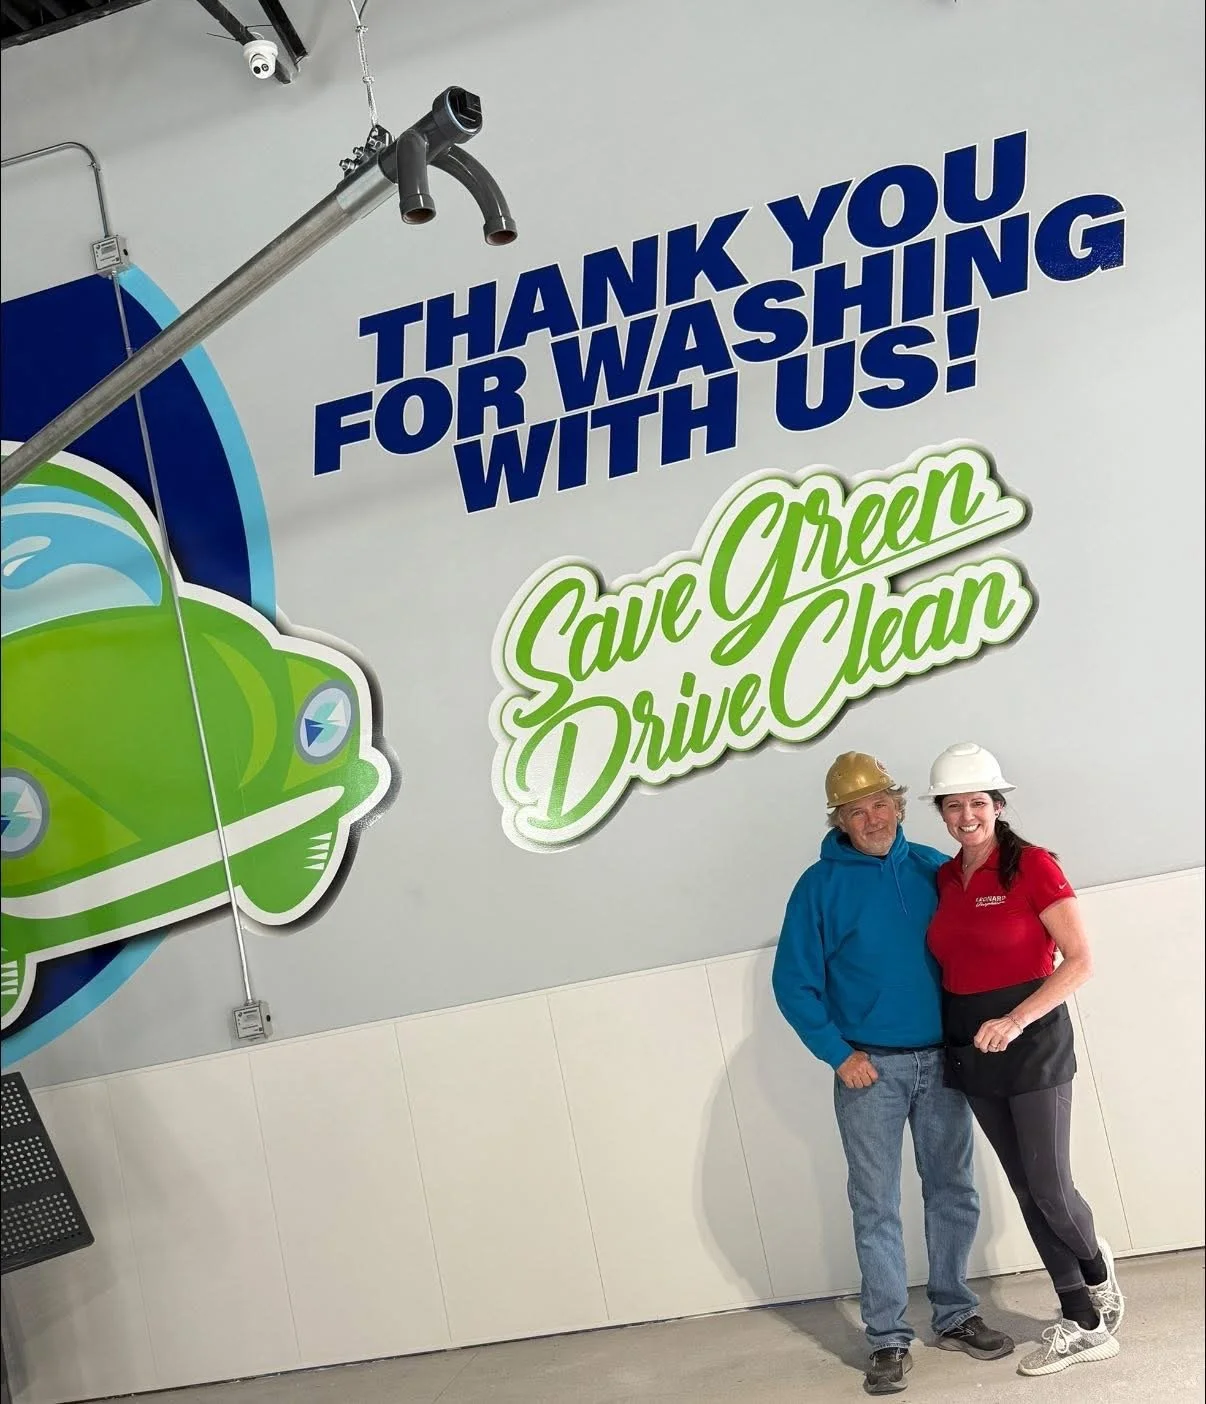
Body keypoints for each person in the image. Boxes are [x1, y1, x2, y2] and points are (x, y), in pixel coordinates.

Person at [772, 752, 1013, 1396]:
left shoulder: (936, 871)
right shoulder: (818, 887)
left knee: (952, 1190)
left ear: (901, 807)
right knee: (875, 1205)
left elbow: (980, 948)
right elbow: (793, 983)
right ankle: (888, 1337)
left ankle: (955, 1312)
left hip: (941, 1061)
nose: (872, 817)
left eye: (881, 804)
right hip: (867, 1070)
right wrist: (837, 1053)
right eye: (857, 810)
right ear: (840, 820)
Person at [923, 741, 1125, 1378]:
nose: (966, 816)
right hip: (971, 1044)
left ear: (998, 804)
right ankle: (1082, 1322)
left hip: (1030, 1038)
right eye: (952, 806)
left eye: (977, 802)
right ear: (942, 813)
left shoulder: (1032, 866)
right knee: (1023, 1187)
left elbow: (1081, 962)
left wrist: (1016, 1019)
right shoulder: (943, 878)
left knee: (1048, 1184)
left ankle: (1095, 1277)